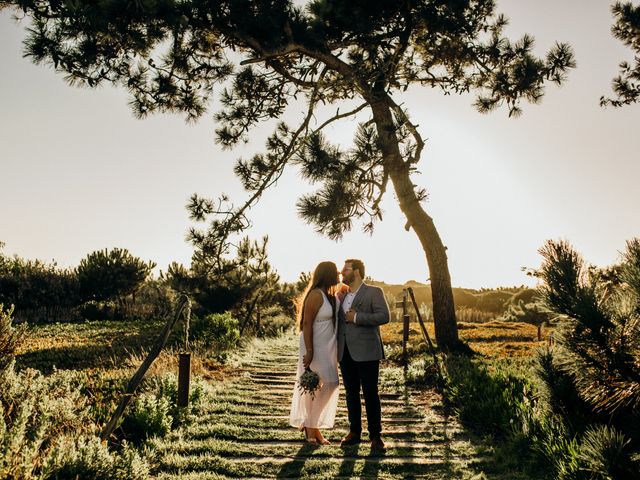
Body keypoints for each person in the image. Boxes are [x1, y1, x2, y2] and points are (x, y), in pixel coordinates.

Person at [337, 258, 390, 451]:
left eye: (346, 269)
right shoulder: (341, 295)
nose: (342, 271)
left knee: (370, 393)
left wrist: (357, 317)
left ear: (357, 271)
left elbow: (384, 316)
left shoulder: (374, 292)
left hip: (367, 351)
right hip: (345, 351)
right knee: (351, 393)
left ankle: (376, 436)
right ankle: (354, 432)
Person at [289, 261, 340, 445]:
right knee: (325, 384)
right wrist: (310, 351)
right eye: (336, 271)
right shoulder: (315, 295)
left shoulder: (328, 295)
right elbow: (306, 324)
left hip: (326, 347)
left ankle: (312, 428)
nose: (339, 274)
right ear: (327, 274)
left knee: (323, 385)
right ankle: (311, 428)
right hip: (314, 346)